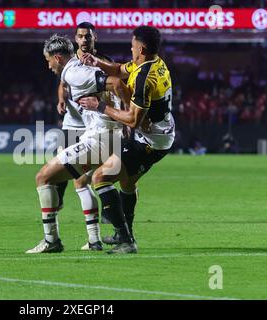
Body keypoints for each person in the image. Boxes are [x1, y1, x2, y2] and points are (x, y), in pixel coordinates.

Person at [25, 34, 131, 254]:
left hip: (101, 138)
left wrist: (127, 115)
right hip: (104, 136)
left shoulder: (75, 72)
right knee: (81, 182)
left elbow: (117, 82)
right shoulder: (71, 72)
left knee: (43, 177)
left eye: (48, 61)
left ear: (57, 57)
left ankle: (51, 240)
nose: (48, 66)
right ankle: (93, 240)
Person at [78, 26, 175, 253]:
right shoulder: (155, 63)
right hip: (158, 135)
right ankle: (125, 233)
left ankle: (126, 240)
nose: (130, 49)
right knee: (127, 182)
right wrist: (97, 62)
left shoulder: (144, 78)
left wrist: (100, 106)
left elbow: (132, 120)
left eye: (132, 45)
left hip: (150, 142)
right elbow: (121, 69)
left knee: (100, 177)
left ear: (140, 48)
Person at [55, 22, 115, 251]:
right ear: (75, 39)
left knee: (89, 179)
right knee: (60, 174)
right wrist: (61, 99)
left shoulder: (102, 62)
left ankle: (106, 223)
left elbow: (115, 85)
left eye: (87, 36)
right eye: (80, 36)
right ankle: (56, 208)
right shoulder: (70, 63)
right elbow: (62, 84)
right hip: (72, 125)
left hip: (95, 127)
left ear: (94, 38)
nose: (84, 40)